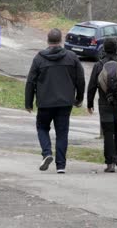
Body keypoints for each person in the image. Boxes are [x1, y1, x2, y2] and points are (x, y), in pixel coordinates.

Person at [25, 28, 85, 174]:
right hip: (65, 102)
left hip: (45, 101)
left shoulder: (39, 58)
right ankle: (61, 166)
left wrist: (28, 102)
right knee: (62, 133)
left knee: (42, 127)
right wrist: (79, 98)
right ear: (61, 40)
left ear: (47, 40)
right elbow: (80, 79)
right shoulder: (72, 57)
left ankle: (47, 153)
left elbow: (30, 81)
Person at [87, 38, 117, 173]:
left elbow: (92, 86)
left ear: (104, 49)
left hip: (104, 103)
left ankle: (110, 163)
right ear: (116, 48)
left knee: (108, 133)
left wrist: (89, 103)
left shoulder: (99, 65)